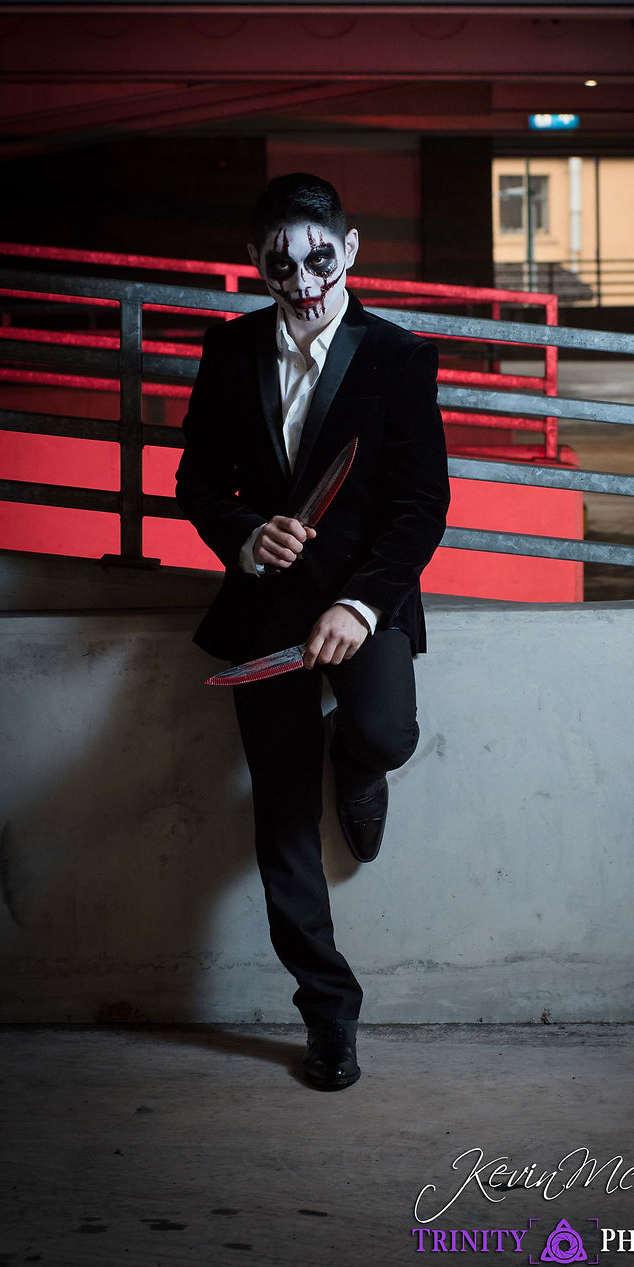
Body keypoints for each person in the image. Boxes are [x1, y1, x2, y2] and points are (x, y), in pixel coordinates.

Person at [176, 173, 449, 1090]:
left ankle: (358, 763)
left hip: (362, 600)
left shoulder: (401, 360)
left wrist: (362, 606)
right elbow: (196, 483)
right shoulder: (228, 352)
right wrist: (245, 536)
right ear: (256, 262)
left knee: (384, 732)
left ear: (352, 250)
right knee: (282, 821)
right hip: (264, 607)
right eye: (279, 262)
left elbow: (421, 509)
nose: (300, 279)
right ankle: (328, 1015)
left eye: (318, 257)